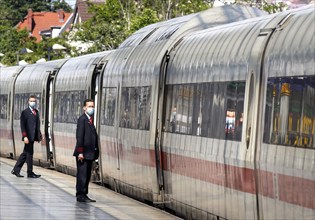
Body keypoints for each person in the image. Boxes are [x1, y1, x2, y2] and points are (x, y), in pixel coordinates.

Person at [73, 99, 99, 202]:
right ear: (84, 108)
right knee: (82, 174)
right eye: (89, 106)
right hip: (83, 153)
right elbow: (79, 137)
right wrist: (80, 152)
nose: (91, 108)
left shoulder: (90, 120)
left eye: (93, 106)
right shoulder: (82, 119)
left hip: (89, 153)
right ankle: (80, 194)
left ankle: (84, 193)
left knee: (87, 175)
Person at [11, 95, 42, 178]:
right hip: (28, 137)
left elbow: (37, 125)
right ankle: (29, 172)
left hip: (32, 137)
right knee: (29, 154)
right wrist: (25, 136)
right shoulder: (25, 112)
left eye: (34, 101)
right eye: (31, 101)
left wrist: (39, 135)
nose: (33, 102)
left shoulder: (36, 112)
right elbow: (23, 125)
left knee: (26, 153)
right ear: (28, 102)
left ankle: (16, 170)